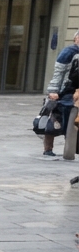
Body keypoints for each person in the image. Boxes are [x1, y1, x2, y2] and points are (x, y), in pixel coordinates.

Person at [44, 30, 79, 158]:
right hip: (65, 92)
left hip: (74, 93)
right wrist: (54, 91)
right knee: (56, 119)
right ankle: (48, 149)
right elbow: (58, 73)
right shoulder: (69, 51)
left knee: (70, 122)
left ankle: (69, 150)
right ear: (76, 38)